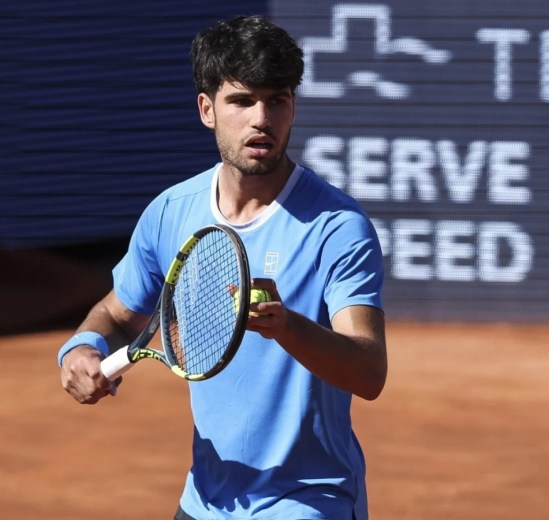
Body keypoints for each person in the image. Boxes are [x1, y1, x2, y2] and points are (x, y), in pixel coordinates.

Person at [58, 14, 387, 520]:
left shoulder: (337, 226)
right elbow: (119, 312)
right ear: (207, 109)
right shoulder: (171, 211)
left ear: (292, 107)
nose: (262, 119)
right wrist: (83, 346)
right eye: (242, 100)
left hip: (307, 502)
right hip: (207, 499)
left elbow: (368, 372)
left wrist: (286, 326)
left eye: (277, 100)